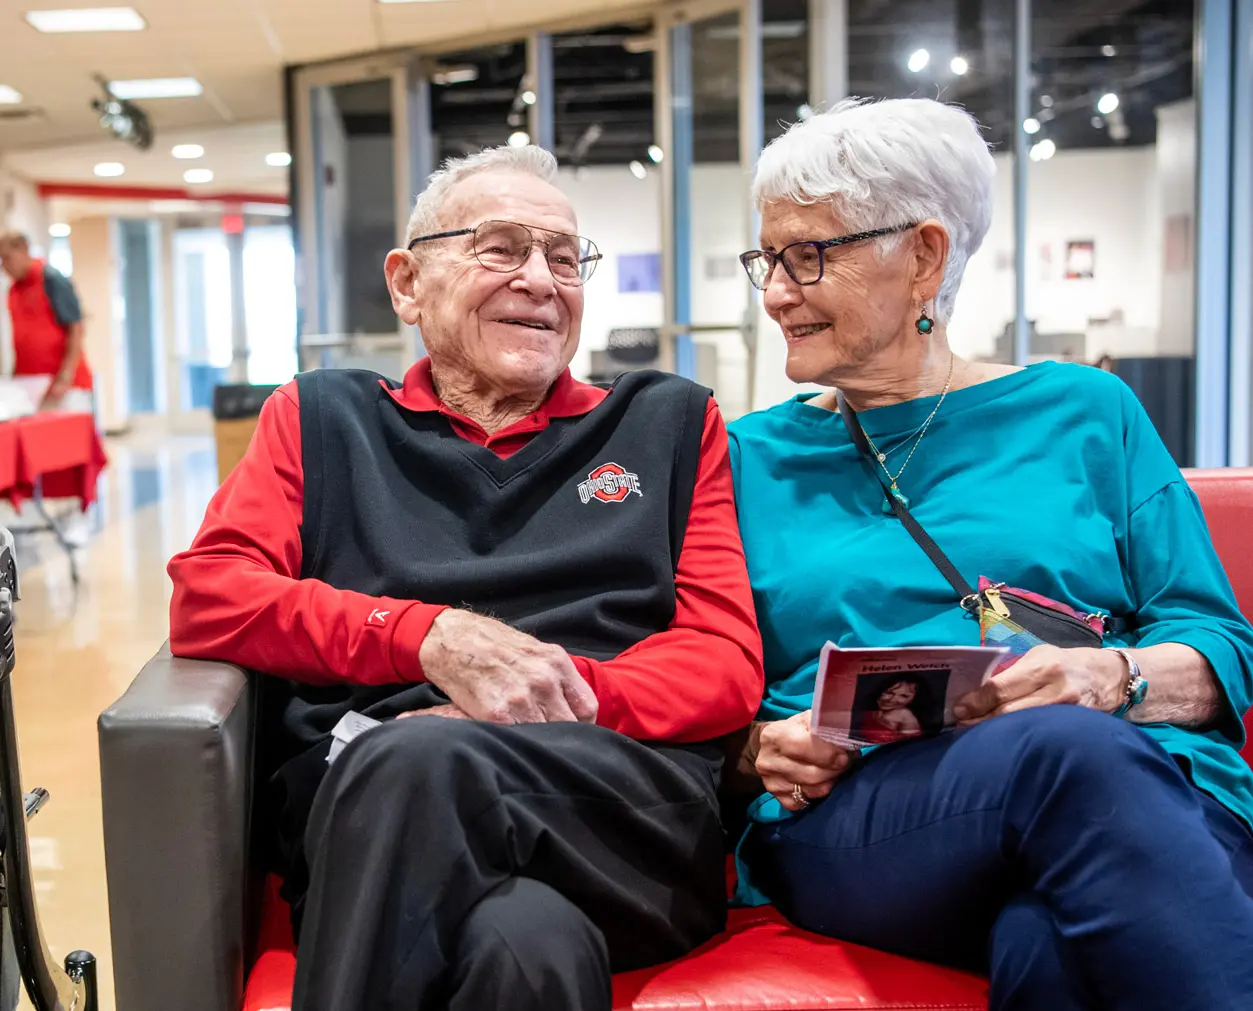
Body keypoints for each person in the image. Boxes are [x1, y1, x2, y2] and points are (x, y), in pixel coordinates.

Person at [168, 145, 763, 1011]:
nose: (541, 280)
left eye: (564, 258)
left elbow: (722, 662)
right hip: (376, 814)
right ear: (408, 283)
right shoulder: (321, 416)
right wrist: (427, 636)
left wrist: (537, 688)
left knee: (417, 755)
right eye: (500, 247)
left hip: (606, 807)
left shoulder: (667, 422)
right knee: (527, 952)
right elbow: (210, 596)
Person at [727, 98, 1253, 1010]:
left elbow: (1217, 645)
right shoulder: (739, 459)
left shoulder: (1087, 411)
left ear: (924, 256)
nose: (776, 290)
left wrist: (1108, 674)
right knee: (1064, 755)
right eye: (767, 259)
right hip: (869, 816)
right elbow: (690, 674)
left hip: (1139, 784)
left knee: (1049, 950)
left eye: (809, 255)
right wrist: (753, 749)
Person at [0, 229, 93, 413]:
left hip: (64, 386)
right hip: (32, 387)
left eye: (6, 258)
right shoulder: (13, 290)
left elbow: (76, 328)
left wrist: (65, 377)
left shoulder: (51, 279)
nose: (4, 266)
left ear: (24, 249)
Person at [855, 675, 924, 743]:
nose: (892, 699)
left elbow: (911, 747)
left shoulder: (906, 717)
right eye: (889, 692)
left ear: (913, 700)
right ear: (881, 691)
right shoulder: (871, 713)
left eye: (904, 696)